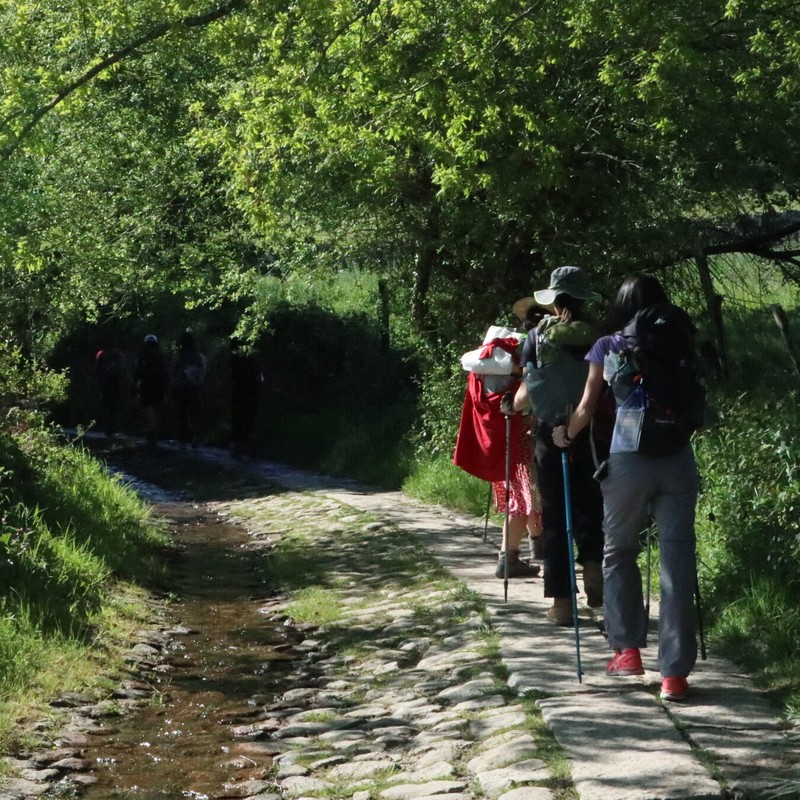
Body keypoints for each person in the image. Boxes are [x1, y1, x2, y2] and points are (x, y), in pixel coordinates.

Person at [552, 273, 700, 701]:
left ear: (620, 304)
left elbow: (586, 405)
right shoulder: (679, 337)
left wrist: (567, 434)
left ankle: (628, 651)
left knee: (619, 552)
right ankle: (674, 675)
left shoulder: (609, 345)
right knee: (677, 561)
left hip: (628, 461)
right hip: (677, 458)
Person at [502, 267, 605, 624]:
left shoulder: (538, 336)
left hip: (551, 432)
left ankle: (562, 603)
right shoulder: (600, 336)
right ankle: (593, 566)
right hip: (592, 431)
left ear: (556, 301)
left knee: (557, 515)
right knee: (590, 501)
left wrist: (510, 406)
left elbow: (528, 392)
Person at [453, 320, 540, 579]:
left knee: (526, 495)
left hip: (502, 445)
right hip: (518, 442)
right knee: (525, 498)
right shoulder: (512, 374)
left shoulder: (481, 374)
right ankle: (508, 556)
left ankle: (538, 545)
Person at [229, 338, 264, 457]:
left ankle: (239, 446)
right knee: (250, 417)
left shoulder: (236, 359)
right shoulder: (253, 360)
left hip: (239, 391)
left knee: (239, 417)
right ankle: (251, 444)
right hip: (252, 391)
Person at [172, 330, 207, 447]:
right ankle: (196, 436)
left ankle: (183, 437)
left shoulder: (179, 356)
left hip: (182, 388)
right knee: (195, 413)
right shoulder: (199, 356)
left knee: (182, 412)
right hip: (196, 388)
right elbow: (203, 372)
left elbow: (174, 371)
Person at [134, 334, 169, 445]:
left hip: (146, 384)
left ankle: (151, 431)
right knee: (156, 407)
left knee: (149, 407)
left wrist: (134, 384)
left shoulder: (142, 356)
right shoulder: (160, 356)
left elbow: (137, 371)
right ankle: (155, 430)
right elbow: (165, 372)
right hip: (159, 385)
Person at [93, 345, 127, 437]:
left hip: (106, 384)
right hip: (117, 384)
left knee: (108, 407)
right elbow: (124, 370)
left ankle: (109, 428)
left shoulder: (101, 354)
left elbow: (97, 369)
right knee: (116, 406)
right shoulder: (119, 354)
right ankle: (117, 428)